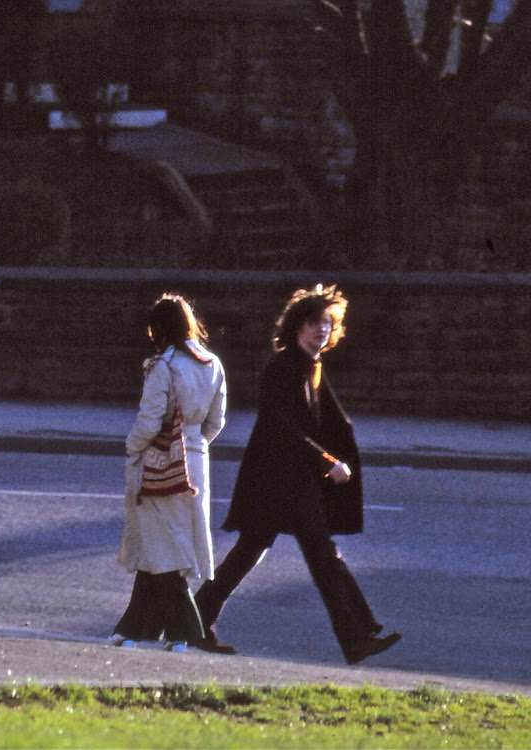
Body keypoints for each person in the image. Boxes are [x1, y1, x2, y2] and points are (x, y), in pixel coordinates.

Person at [194, 284, 401, 664]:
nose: (321, 330)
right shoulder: (284, 367)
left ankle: (195, 620)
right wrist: (327, 462)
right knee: (318, 553)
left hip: (290, 479)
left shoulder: (311, 366)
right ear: (296, 327)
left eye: (326, 323)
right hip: (278, 481)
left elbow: (329, 422)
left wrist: (336, 455)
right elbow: (282, 428)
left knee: (254, 551)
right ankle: (355, 635)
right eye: (312, 323)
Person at [112, 294, 230, 653]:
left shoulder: (163, 366)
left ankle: (185, 629)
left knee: (163, 546)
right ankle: (133, 629)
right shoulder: (213, 364)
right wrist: (195, 444)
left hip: (160, 459)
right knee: (164, 543)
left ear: (158, 329)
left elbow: (150, 420)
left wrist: (133, 447)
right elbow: (217, 421)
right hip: (196, 458)